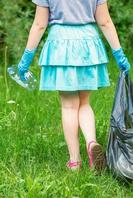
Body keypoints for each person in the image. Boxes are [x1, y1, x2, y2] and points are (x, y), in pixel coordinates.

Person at [16, 0, 131, 172]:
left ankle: (75, 161)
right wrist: (119, 54)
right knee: (84, 103)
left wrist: (26, 58)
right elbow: (105, 21)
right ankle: (91, 143)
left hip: (61, 46)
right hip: (88, 45)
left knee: (69, 106)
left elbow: (40, 24)